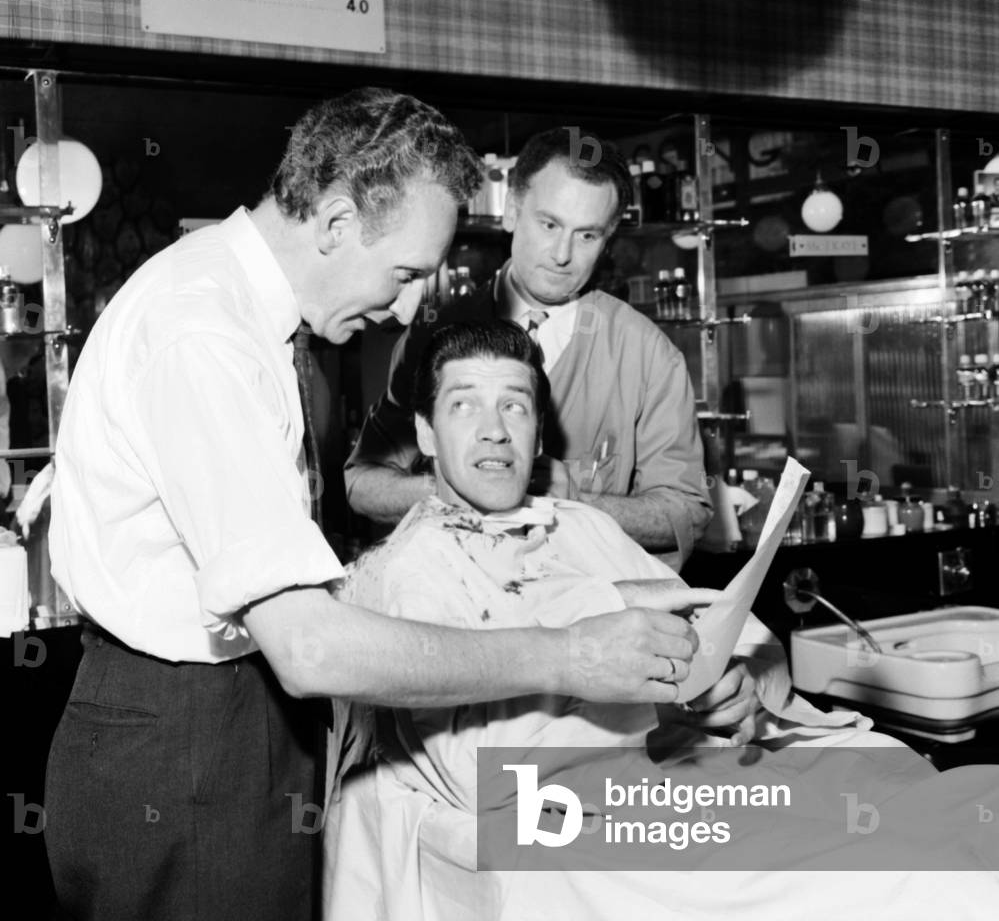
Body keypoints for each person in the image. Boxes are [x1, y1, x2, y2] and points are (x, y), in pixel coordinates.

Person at [43, 90, 707, 921]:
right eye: (402, 274)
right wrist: (567, 656)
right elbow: (312, 648)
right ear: (333, 224)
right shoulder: (201, 336)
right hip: (182, 744)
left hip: (230, 720)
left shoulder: (240, 315)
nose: (402, 309)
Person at [325, 320, 999, 920]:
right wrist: (653, 711)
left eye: (514, 405)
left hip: (691, 764)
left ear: (536, 433)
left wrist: (730, 682)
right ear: (423, 433)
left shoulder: (581, 525)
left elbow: (728, 640)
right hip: (594, 808)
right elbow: (477, 774)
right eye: (463, 405)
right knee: (915, 878)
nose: (493, 429)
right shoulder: (412, 570)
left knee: (917, 791)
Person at [344, 128, 712, 568]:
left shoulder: (647, 353)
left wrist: (573, 501)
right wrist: (464, 487)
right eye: (549, 223)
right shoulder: (432, 334)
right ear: (512, 212)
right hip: (461, 609)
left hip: (593, 609)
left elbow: (685, 512)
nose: (562, 254)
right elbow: (363, 483)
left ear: (609, 238)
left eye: (587, 235)